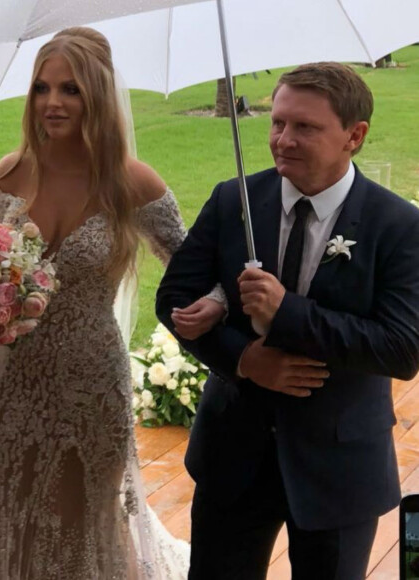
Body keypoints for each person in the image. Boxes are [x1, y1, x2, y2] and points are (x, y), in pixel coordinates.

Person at [0, 26, 226, 579]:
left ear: (98, 95)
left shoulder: (131, 183)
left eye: (70, 89)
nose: (52, 102)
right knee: (9, 515)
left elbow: (195, 268)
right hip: (12, 383)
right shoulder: (9, 174)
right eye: (42, 88)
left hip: (91, 384)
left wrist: (212, 303)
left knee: (79, 526)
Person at [156, 62, 419, 580]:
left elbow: (402, 349)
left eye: (305, 128)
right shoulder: (235, 199)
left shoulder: (399, 225)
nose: (283, 140)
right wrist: (243, 359)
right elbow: (173, 297)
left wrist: (288, 314)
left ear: (354, 136)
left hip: (338, 464)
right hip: (234, 452)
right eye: (277, 123)